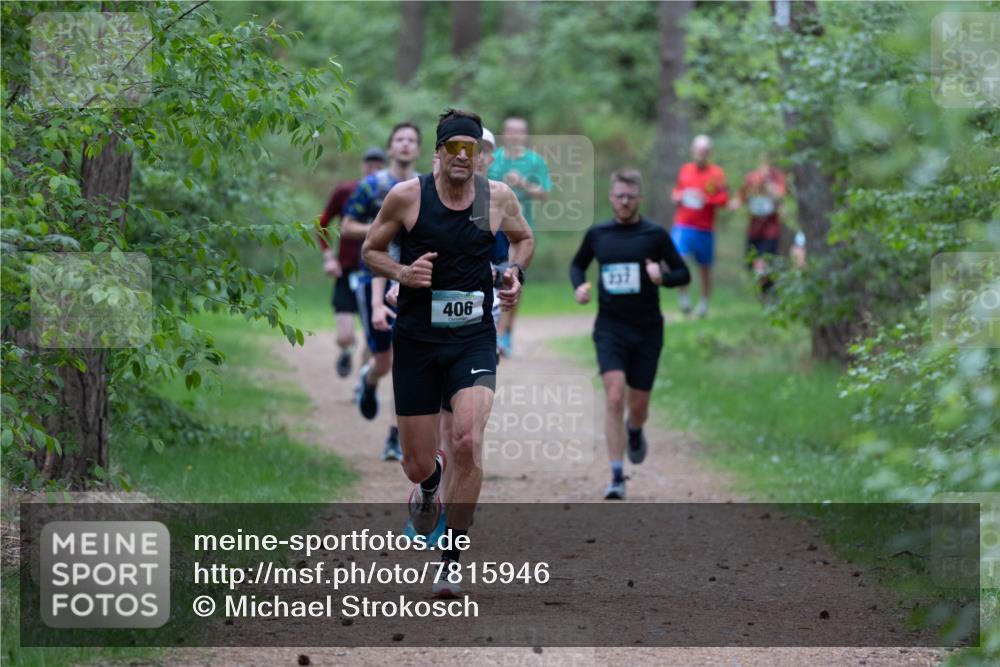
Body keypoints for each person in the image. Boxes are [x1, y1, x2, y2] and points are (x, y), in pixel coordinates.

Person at [362, 109, 534, 597]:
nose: (462, 156)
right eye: (453, 147)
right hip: (417, 340)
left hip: (473, 338)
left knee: (466, 439)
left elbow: (523, 239)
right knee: (416, 463)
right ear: (437, 152)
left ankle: (451, 561)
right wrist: (402, 274)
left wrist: (513, 272)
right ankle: (430, 483)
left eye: (470, 148)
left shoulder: (496, 197)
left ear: (479, 155)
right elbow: (371, 251)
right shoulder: (408, 196)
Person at [570, 169, 690, 500]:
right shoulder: (598, 234)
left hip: (647, 330)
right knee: (614, 396)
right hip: (610, 328)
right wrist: (579, 286)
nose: (624, 202)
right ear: (611, 198)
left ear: (639, 199)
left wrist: (662, 277)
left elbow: (684, 274)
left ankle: (635, 429)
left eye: (630, 197)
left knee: (638, 406)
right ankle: (616, 475)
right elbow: (578, 265)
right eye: (619, 196)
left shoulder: (654, 235)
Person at [341, 123, 421, 460]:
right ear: (390, 148)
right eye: (399, 139)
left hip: (411, 278)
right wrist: (381, 229)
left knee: (406, 360)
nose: (405, 145)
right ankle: (370, 379)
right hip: (372, 275)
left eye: (411, 140)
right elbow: (346, 226)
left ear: (418, 149)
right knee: (384, 362)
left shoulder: (423, 187)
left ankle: (394, 437)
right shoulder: (371, 185)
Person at [318, 148, 387, 378]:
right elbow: (321, 223)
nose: (373, 170)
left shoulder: (392, 194)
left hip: (377, 274)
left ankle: (363, 380)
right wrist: (329, 257)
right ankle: (347, 349)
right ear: (362, 166)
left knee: (374, 336)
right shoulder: (346, 191)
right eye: (369, 165)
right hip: (348, 272)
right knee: (344, 336)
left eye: (379, 167)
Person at [488, 116, 551, 357]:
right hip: (492, 227)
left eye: (519, 131)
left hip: (520, 231)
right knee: (489, 276)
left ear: (525, 135)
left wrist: (523, 183)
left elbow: (544, 194)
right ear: (504, 134)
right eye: (510, 131)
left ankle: (505, 333)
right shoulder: (493, 158)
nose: (514, 136)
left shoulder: (535, 161)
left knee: (512, 277)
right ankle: (491, 329)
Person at [670, 135, 728, 318]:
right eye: (698, 150)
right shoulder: (685, 170)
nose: (701, 154)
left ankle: (703, 303)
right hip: (684, 224)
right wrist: (678, 197)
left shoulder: (717, 173)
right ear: (692, 151)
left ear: (709, 153)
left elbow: (724, 199)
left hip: (705, 228)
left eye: (705, 151)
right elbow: (677, 191)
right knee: (678, 260)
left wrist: (706, 199)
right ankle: (684, 298)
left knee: (704, 268)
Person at [729, 153, 787, 294]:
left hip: (771, 229)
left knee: (764, 262)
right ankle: (765, 290)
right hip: (754, 229)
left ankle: (768, 291)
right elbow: (742, 195)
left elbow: (781, 196)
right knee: (751, 263)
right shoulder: (752, 177)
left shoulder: (778, 178)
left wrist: (769, 183)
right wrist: (735, 203)